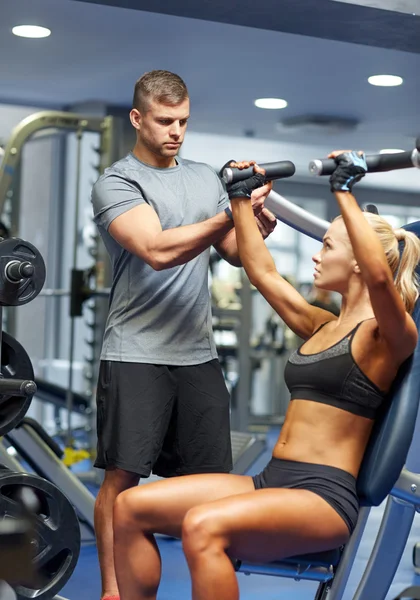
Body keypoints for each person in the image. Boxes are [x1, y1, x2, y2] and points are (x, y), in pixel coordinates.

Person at [112, 151, 420, 600]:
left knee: (204, 526)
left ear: (358, 261)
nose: (317, 256)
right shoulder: (322, 325)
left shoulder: (390, 337)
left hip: (322, 498)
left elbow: (378, 278)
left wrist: (345, 192)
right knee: (130, 507)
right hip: (271, 481)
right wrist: (240, 198)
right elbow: (262, 272)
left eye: (329, 246)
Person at [90, 69, 277, 600]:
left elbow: (240, 254)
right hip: (136, 352)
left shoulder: (204, 178)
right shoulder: (117, 181)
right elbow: (157, 249)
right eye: (165, 120)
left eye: (184, 122)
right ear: (137, 118)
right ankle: (112, 591)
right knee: (122, 480)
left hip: (198, 357)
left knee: (210, 485)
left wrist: (256, 213)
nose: (176, 131)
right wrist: (231, 211)